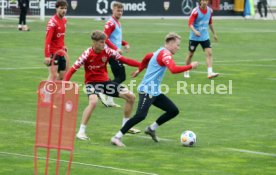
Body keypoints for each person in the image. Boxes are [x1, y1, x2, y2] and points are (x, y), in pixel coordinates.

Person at [110, 32, 199, 147]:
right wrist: (191, 66)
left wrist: (139, 70)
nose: (178, 47)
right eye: (177, 45)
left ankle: (151, 128)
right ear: (170, 43)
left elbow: (147, 56)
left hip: (154, 91)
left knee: (173, 110)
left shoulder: (160, 51)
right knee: (140, 116)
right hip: (147, 90)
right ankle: (116, 137)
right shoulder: (165, 54)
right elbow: (173, 69)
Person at [64, 30, 141, 141]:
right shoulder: (86, 54)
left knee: (131, 97)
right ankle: (81, 132)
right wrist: (64, 84)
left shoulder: (108, 51)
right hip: (91, 84)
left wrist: (143, 65)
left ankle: (126, 126)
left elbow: (126, 60)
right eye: (101, 42)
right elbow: (72, 70)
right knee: (93, 101)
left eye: (104, 42)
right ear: (94, 42)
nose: (103, 44)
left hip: (105, 83)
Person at [101, 1, 130, 107]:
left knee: (119, 76)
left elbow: (116, 38)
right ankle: (103, 90)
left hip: (115, 53)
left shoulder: (117, 22)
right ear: (113, 10)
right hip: (111, 54)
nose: (120, 12)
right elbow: (105, 38)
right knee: (121, 76)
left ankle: (109, 99)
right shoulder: (111, 23)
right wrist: (115, 49)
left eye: (121, 11)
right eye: (118, 10)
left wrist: (125, 43)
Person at [183, 0, 219, 79]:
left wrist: (214, 34)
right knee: (190, 54)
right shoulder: (195, 11)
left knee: (209, 53)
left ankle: (210, 73)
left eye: (206, 0)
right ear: (200, 1)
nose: (204, 2)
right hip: (194, 37)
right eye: (203, 0)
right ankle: (186, 70)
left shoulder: (210, 10)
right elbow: (190, 24)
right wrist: (195, 31)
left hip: (205, 37)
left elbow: (210, 23)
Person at [44, 0, 68, 81]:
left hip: (61, 52)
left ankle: (53, 92)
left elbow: (61, 36)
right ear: (56, 9)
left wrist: (63, 45)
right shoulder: (52, 23)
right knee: (53, 76)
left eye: (65, 8)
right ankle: (46, 93)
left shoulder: (64, 20)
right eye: (61, 8)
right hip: (53, 53)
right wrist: (47, 56)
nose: (64, 10)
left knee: (61, 76)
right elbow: (47, 40)